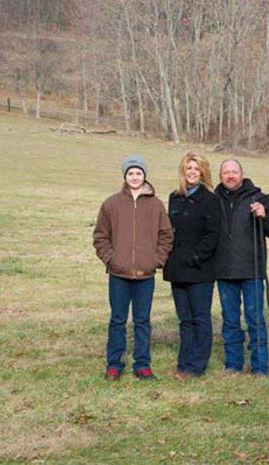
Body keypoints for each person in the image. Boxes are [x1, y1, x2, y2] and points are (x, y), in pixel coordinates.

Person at [92, 155, 173, 381]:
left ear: (144, 176)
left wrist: (156, 260)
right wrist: (112, 259)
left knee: (142, 320)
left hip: (145, 274)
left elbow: (166, 235)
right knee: (117, 319)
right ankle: (114, 364)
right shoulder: (111, 204)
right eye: (131, 173)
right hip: (119, 274)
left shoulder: (156, 205)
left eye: (138, 173)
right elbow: (100, 236)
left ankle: (142, 364)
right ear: (125, 177)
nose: (135, 177)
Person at [214, 159, 269, 377]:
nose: (230, 176)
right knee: (230, 320)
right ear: (220, 176)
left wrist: (265, 215)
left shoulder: (258, 197)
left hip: (252, 270)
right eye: (226, 172)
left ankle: (260, 367)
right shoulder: (213, 199)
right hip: (224, 271)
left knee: (255, 319)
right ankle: (233, 364)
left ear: (242, 174)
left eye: (234, 172)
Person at [163, 153, 221, 380]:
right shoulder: (174, 197)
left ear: (203, 172)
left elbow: (213, 234)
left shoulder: (210, 200)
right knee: (184, 319)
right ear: (183, 171)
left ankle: (197, 366)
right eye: (189, 168)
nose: (192, 172)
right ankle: (183, 362)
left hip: (200, 269)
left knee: (200, 318)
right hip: (177, 268)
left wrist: (196, 256)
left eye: (196, 169)